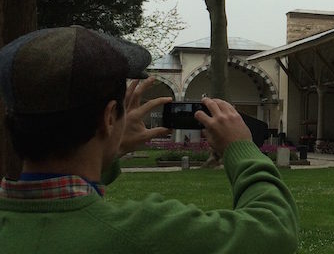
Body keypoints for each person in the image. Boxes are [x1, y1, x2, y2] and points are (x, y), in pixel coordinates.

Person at [0, 25, 299, 253]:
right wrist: (240, 148)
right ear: (108, 117)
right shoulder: (145, 234)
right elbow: (275, 230)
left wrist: (108, 146)